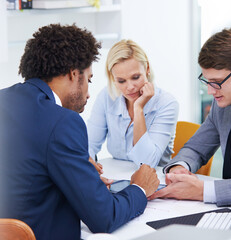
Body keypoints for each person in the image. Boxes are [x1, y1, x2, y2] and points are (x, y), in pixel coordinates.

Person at [0, 24, 160, 240]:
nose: (88, 94)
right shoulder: (63, 121)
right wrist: (139, 188)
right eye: (89, 80)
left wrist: (77, 172)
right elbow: (104, 218)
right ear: (74, 75)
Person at [150, 27, 231, 207]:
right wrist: (180, 169)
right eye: (207, 81)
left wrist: (203, 190)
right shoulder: (222, 103)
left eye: (217, 82)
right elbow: (196, 148)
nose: (210, 91)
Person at [87, 39, 179, 168]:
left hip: (154, 180)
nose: (130, 87)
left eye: (135, 77)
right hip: (117, 177)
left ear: (147, 68)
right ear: (113, 78)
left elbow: (146, 162)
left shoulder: (167, 103)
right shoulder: (107, 96)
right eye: (121, 81)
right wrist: (88, 162)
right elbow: (89, 144)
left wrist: (138, 109)